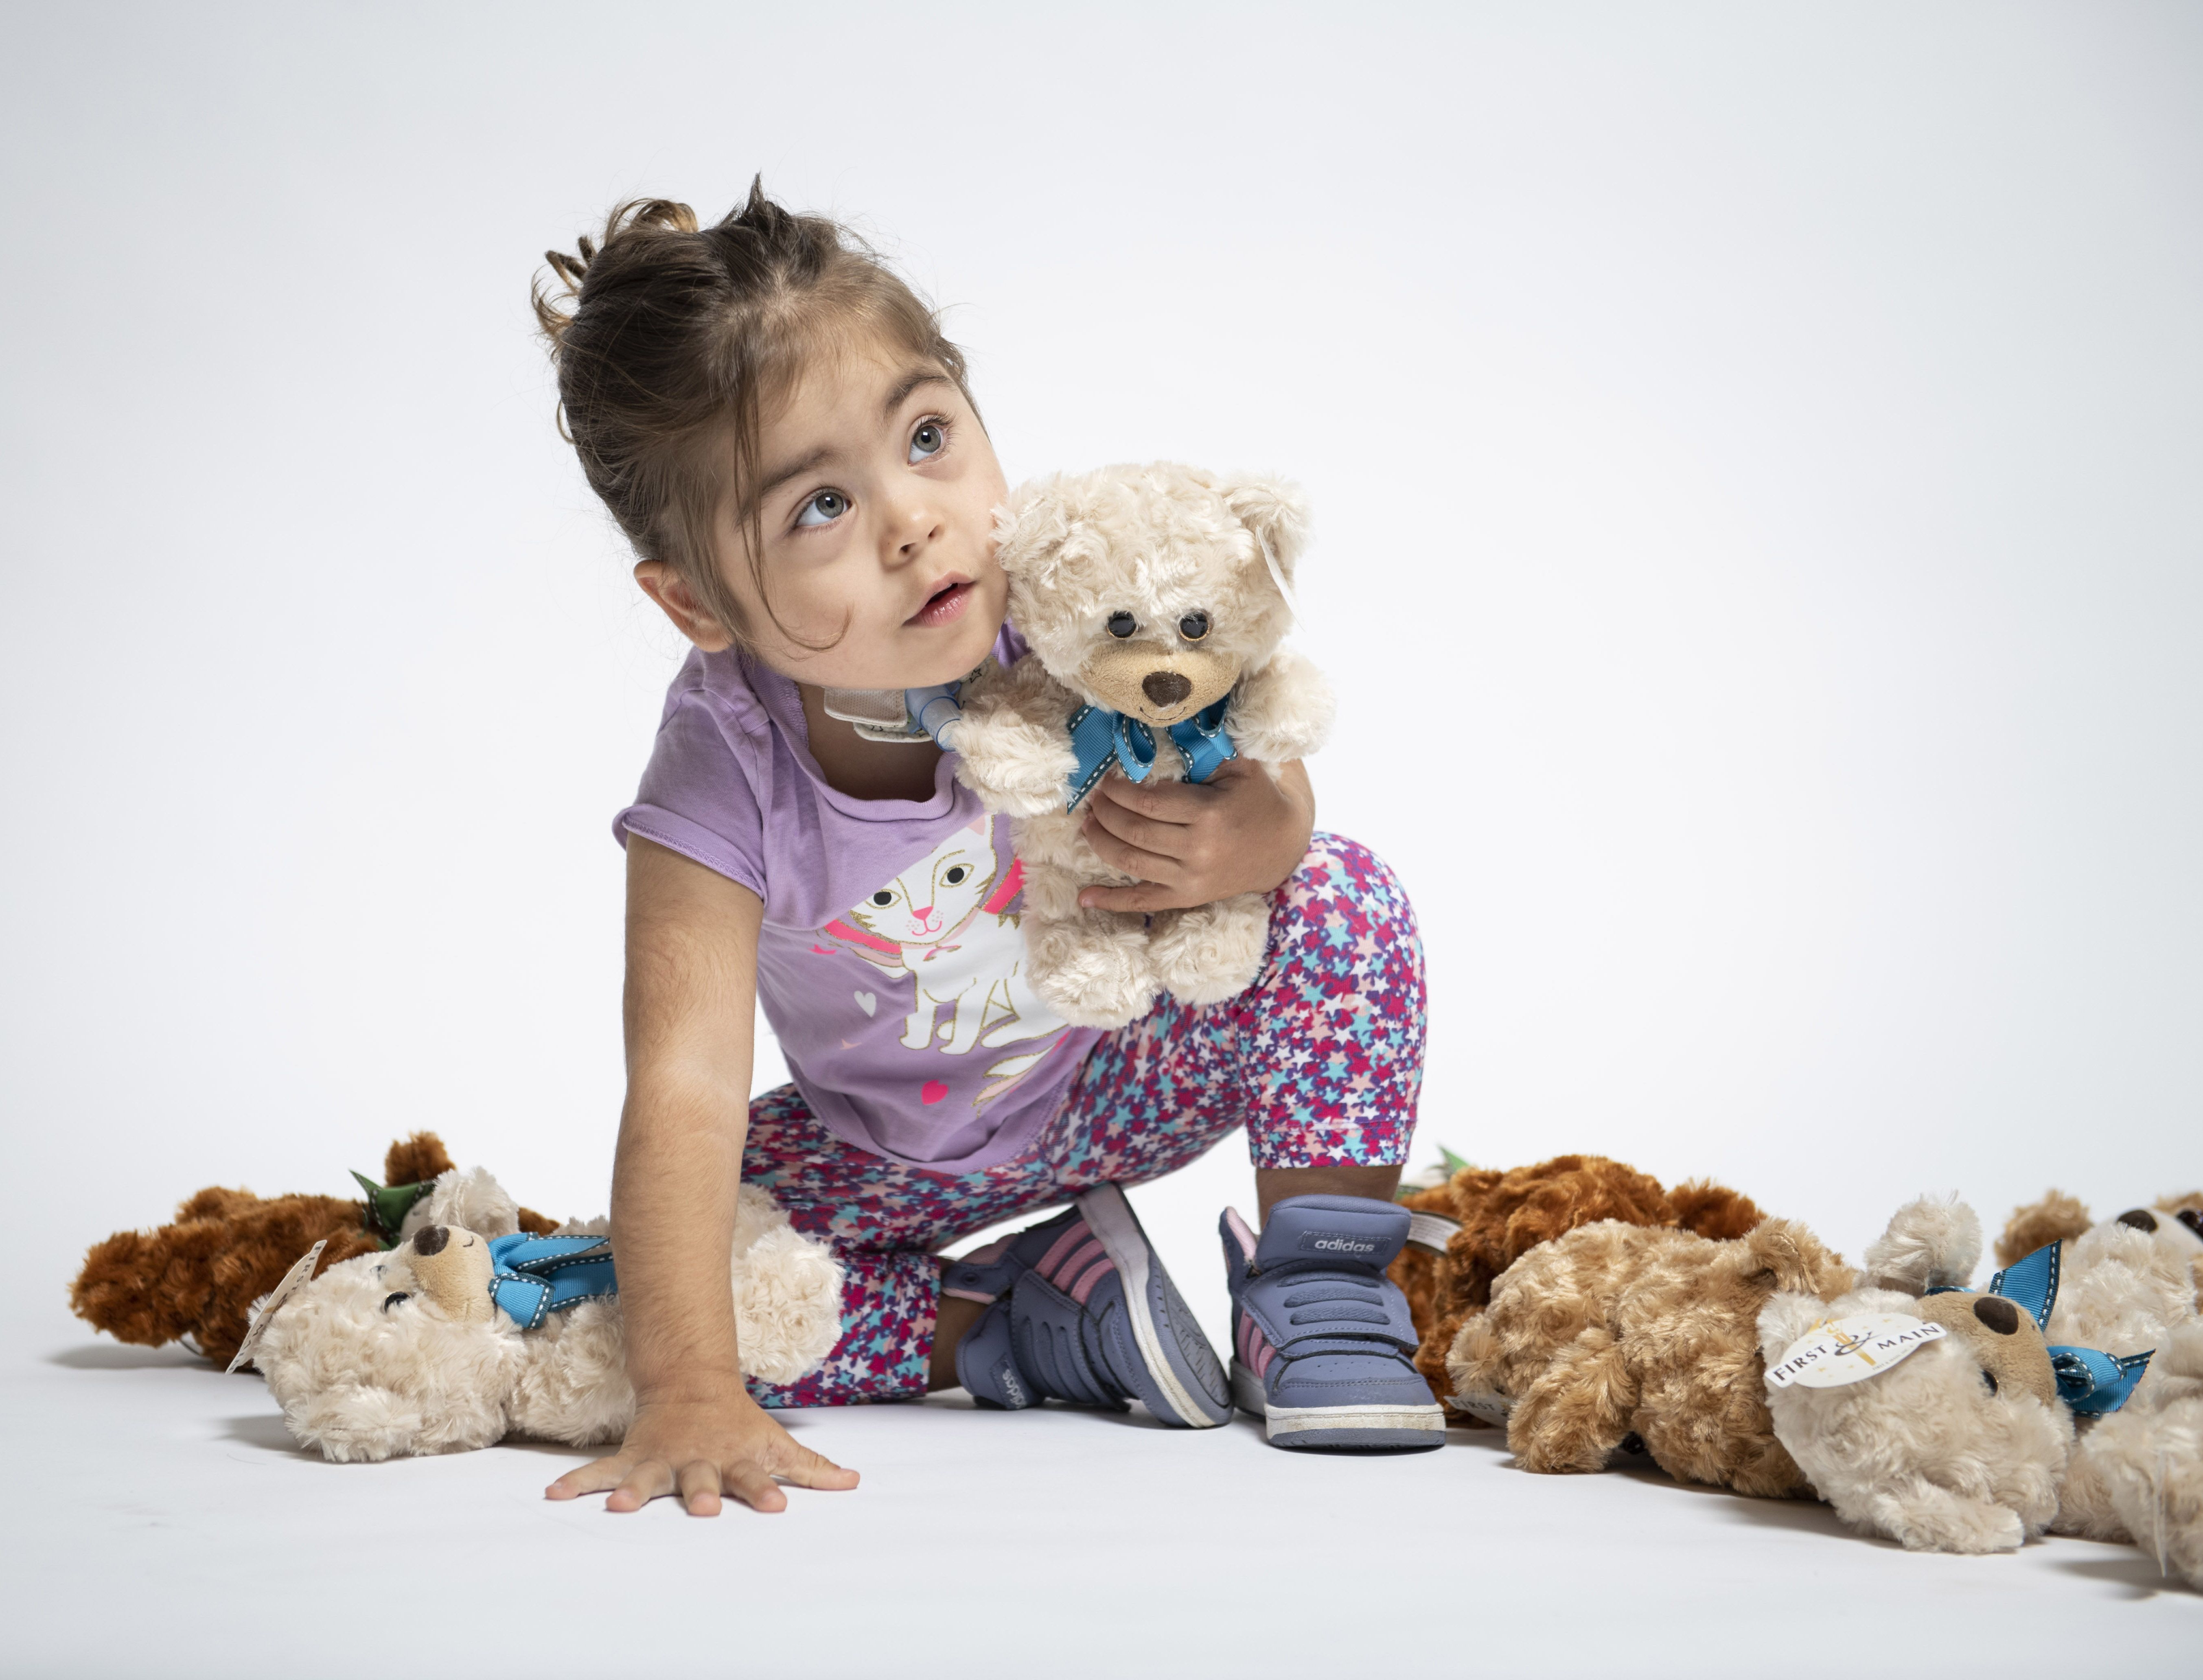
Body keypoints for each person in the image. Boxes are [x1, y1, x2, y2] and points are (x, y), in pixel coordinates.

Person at [537, 182, 1439, 1516]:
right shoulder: (721, 775)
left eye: (926, 435)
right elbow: (682, 1085)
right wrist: (688, 1393)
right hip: (877, 1153)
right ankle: (1024, 1318)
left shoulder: (1057, 600)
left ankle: (1317, 1285)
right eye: (817, 509)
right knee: (639, 1298)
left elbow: (1232, 712)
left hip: (1124, 1058)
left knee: (1341, 901)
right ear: (692, 600)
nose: (912, 520)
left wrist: (1263, 828)